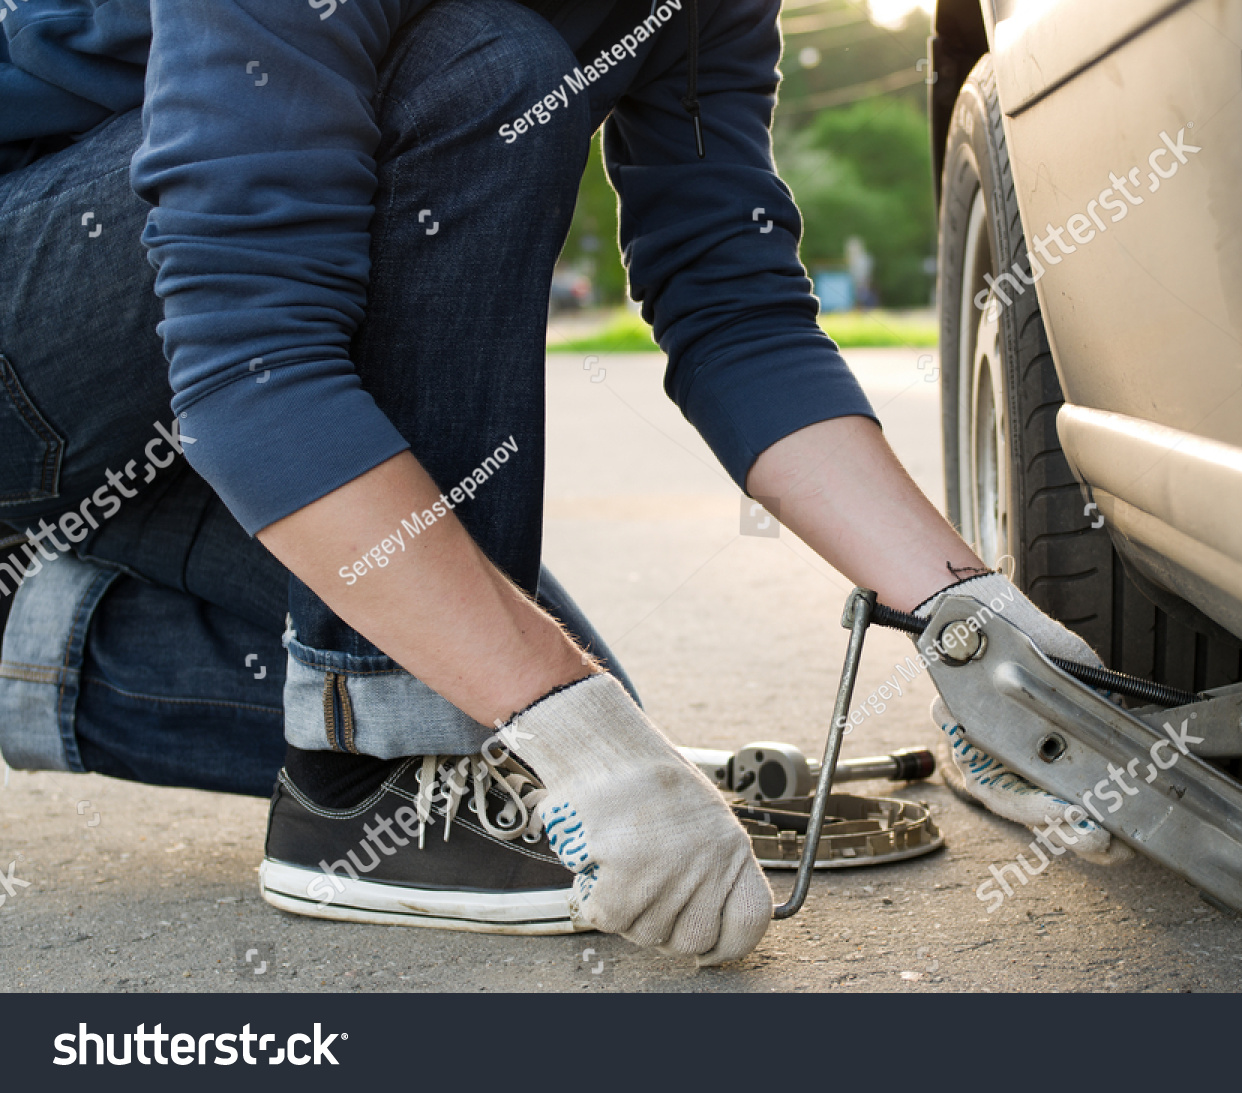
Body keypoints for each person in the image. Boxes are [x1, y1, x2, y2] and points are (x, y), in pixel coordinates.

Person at [0, 0, 1115, 966]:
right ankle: (370, 786)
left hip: (150, 395)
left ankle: (31, 630)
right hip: (48, 322)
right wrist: (570, 731)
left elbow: (735, 307)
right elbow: (251, 357)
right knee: (480, 67)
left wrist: (969, 614)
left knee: (534, 705)